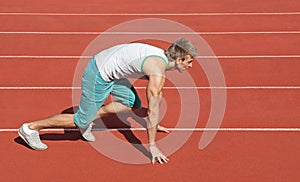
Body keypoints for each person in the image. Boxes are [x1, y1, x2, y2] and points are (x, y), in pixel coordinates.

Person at [18, 38, 198, 164]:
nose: (190, 66)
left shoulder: (161, 59)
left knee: (130, 103)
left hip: (112, 69)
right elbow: (152, 110)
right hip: (99, 72)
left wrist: (153, 123)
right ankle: (30, 128)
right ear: (179, 59)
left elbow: (153, 106)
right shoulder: (157, 70)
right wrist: (153, 146)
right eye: (189, 62)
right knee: (81, 120)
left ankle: (90, 116)